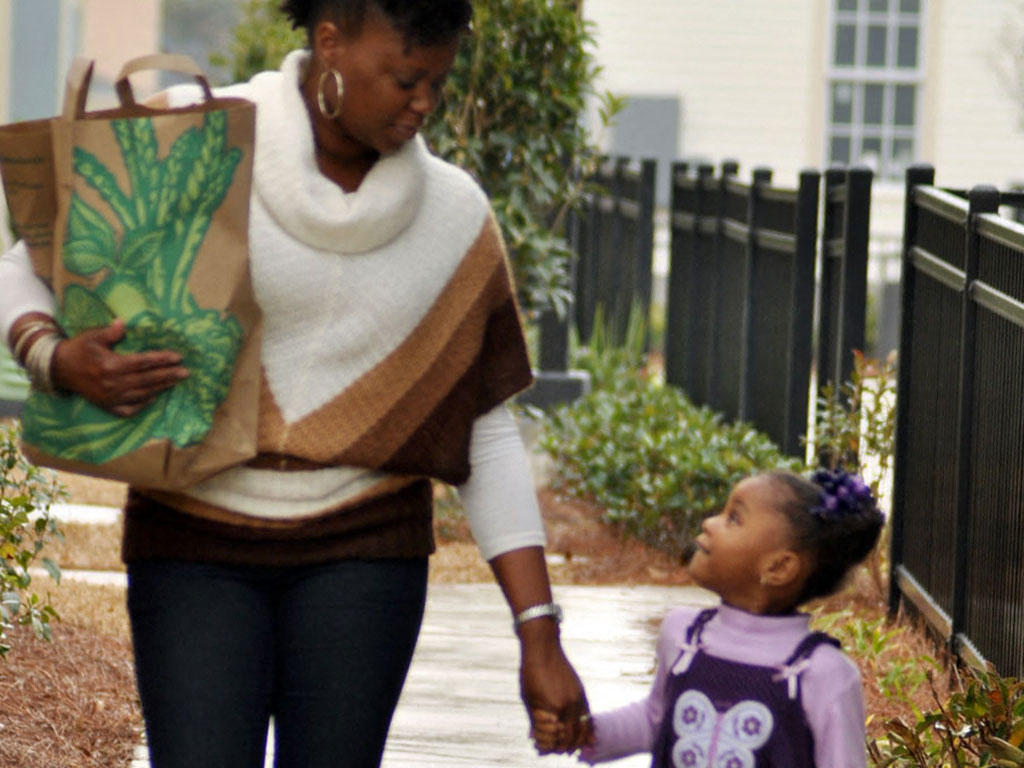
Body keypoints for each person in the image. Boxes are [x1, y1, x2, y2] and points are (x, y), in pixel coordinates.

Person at [0, 1, 592, 765]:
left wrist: (539, 631)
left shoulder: (453, 216)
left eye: (439, 85)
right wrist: (53, 357)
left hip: (367, 557)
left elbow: (485, 425)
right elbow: (24, 266)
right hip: (192, 544)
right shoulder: (196, 137)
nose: (426, 103)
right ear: (330, 42)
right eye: (407, 79)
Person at [531, 468, 884, 767]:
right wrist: (581, 732)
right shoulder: (684, 635)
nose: (709, 523)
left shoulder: (823, 674)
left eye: (734, 518)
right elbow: (655, 720)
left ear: (778, 567)